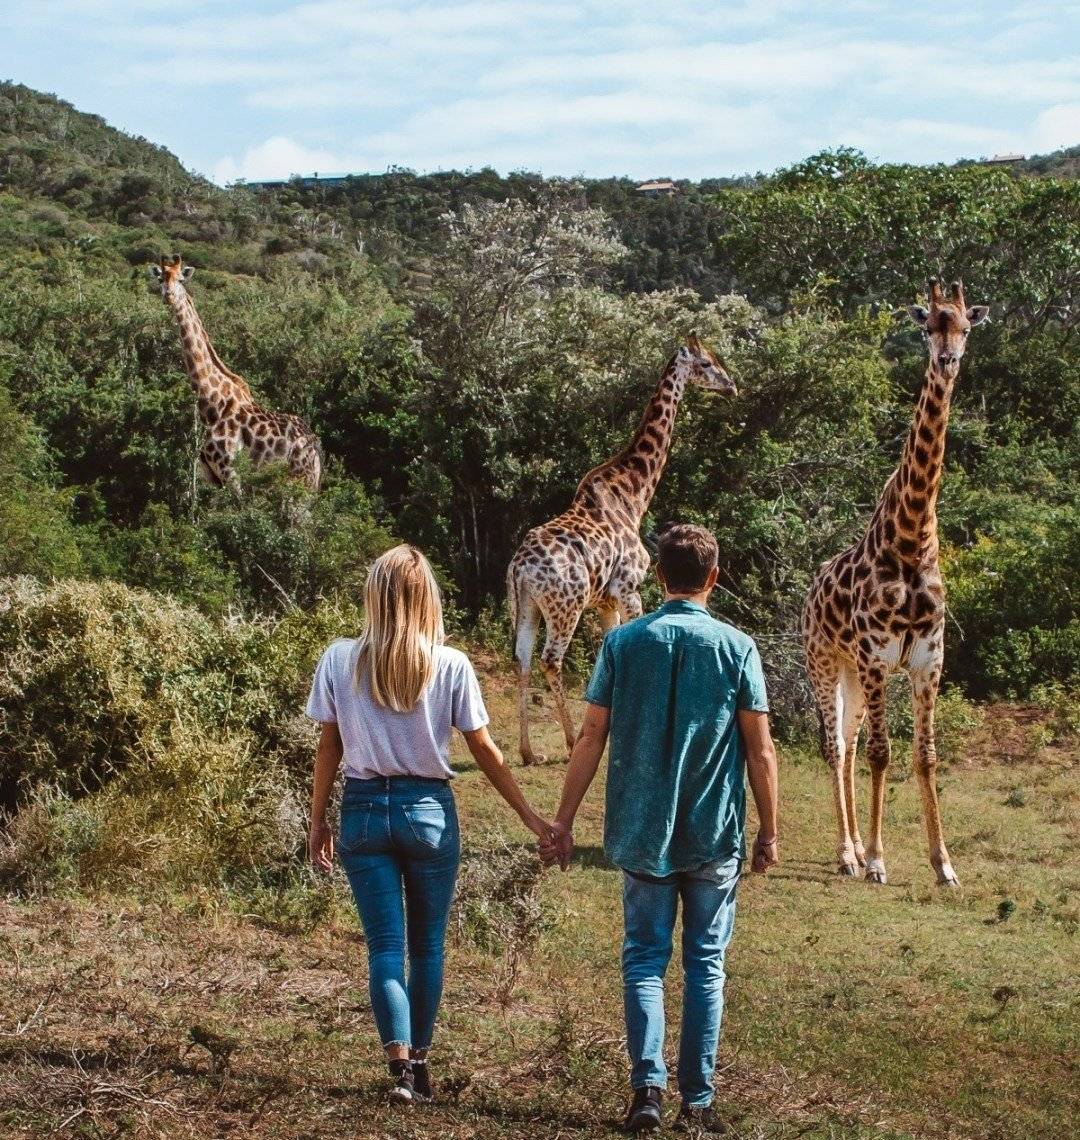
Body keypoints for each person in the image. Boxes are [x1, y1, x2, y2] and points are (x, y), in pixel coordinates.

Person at [540, 524, 780, 1133]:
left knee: (644, 959)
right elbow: (760, 748)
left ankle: (646, 1090)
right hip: (712, 830)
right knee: (706, 963)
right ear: (714, 577)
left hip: (644, 828)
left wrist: (564, 819)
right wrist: (770, 830)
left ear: (657, 576)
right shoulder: (737, 647)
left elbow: (591, 735)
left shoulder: (622, 643)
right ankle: (697, 1102)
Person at [307, 544, 551, 1105]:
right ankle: (419, 1065)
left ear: (375, 594)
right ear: (427, 598)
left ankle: (397, 1068)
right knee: (428, 948)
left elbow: (329, 746)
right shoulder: (451, 664)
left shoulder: (340, 658)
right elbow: (485, 751)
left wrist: (318, 820)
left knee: (384, 947)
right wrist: (533, 817)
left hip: (364, 809)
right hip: (429, 814)